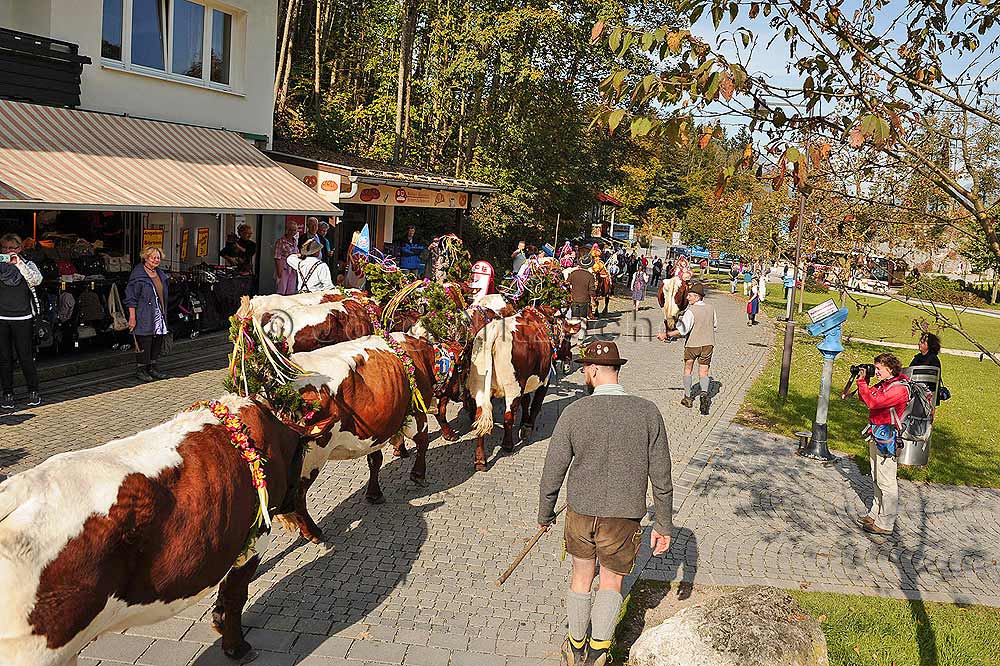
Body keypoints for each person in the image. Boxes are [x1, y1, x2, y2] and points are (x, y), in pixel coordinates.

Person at [538, 341, 673, 666]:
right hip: (623, 518)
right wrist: (663, 524)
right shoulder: (647, 412)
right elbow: (662, 475)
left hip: (581, 514)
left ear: (594, 370)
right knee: (612, 580)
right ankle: (599, 650)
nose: (585, 373)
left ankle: (575, 645)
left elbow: (552, 471)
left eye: (585, 368)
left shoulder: (574, 412)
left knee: (581, 576)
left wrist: (545, 513)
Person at [856, 353, 910, 536]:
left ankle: (886, 523)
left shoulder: (899, 389)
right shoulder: (884, 384)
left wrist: (863, 383)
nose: (876, 371)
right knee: (876, 476)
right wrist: (865, 381)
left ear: (890, 369)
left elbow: (872, 402)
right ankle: (874, 514)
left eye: (879, 368)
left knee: (887, 481)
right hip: (877, 433)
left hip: (888, 438)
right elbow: (864, 398)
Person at [0, 233, 42, 410]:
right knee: (4, 358)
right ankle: (7, 392)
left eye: (13, 248)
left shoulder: (27, 264)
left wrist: (18, 263)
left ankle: (33, 390)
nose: (9, 251)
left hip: (23, 317)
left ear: (20, 248)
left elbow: (36, 280)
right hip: (2, 318)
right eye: (5, 248)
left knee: (25, 356)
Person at [667, 282, 718, 415]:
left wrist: (667, 334)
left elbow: (682, 330)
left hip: (692, 345)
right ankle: (704, 394)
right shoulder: (711, 308)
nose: (688, 298)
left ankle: (688, 398)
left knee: (688, 369)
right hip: (708, 344)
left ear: (697, 297)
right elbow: (715, 325)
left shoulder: (690, 311)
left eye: (690, 296)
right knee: (704, 371)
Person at [126, 246, 170, 383]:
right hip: (143, 313)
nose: (156, 260)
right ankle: (141, 369)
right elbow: (131, 298)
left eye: (158, 257)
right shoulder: (138, 275)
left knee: (157, 338)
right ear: (146, 258)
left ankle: (152, 367)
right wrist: (132, 317)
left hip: (158, 312)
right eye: (153, 257)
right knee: (145, 340)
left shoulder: (160, 274)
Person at [567, 254, 596, 321]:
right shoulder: (590, 276)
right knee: (583, 318)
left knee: (574, 317)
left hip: (574, 298)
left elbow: (567, 284)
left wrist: (569, 294)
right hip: (584, 300)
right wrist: (592, 300)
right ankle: (582, 328)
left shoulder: (573, 273)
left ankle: (575, 327)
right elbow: (592, 290)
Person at [274, 219, 299, 296]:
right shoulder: (280, 241)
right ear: (286, 230)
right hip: (283, 268)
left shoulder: (295, 241)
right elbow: (277, 257)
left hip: (293, 269)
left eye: (294, 230)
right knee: (281, 290)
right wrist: (279, 272)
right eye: (290, 230)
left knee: (291, 292)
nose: (292, 232)